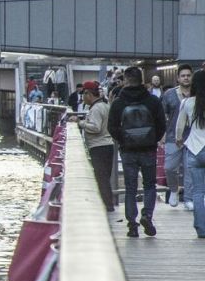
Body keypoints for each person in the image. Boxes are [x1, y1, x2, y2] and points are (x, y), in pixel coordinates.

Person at [108, 66, 167, 238]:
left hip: (128, 151)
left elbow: (111, 127)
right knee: (150, 185)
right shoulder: (152, 101)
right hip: (148, 150)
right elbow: (162, 125)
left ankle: (132, 224)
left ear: (125, 80)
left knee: (130, 188)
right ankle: (147, 215)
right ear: (142, 80)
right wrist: (152, 139)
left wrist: (124, 139)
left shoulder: (119, 103)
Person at [174, 69, 205, 237]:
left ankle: (201, 229)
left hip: (194, 149)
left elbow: (179, 128)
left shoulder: (187, 102)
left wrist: (179, 140)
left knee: (198, 192)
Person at [76, 81, 115, 211]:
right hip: (108, 145)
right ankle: (108, 204)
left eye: (84, 94)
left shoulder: (96, 108)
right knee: (104, 177)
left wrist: (80, 123)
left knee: (101, 178)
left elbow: (95, 128)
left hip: (99, 147)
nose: (82, 97)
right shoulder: (105, 105)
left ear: (88, 94)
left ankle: (107, 206)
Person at [162, 63, 194, 209]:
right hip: (172, 137)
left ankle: (188, 198)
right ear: (178, 78)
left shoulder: (198, 94)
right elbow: (163, 115)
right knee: (169, 167)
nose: (186, 78)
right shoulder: (169, 94)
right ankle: (174, 190)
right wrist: (162, 135)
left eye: (188, 75)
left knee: (189, 169)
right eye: (183, 76)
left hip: (192, 138)